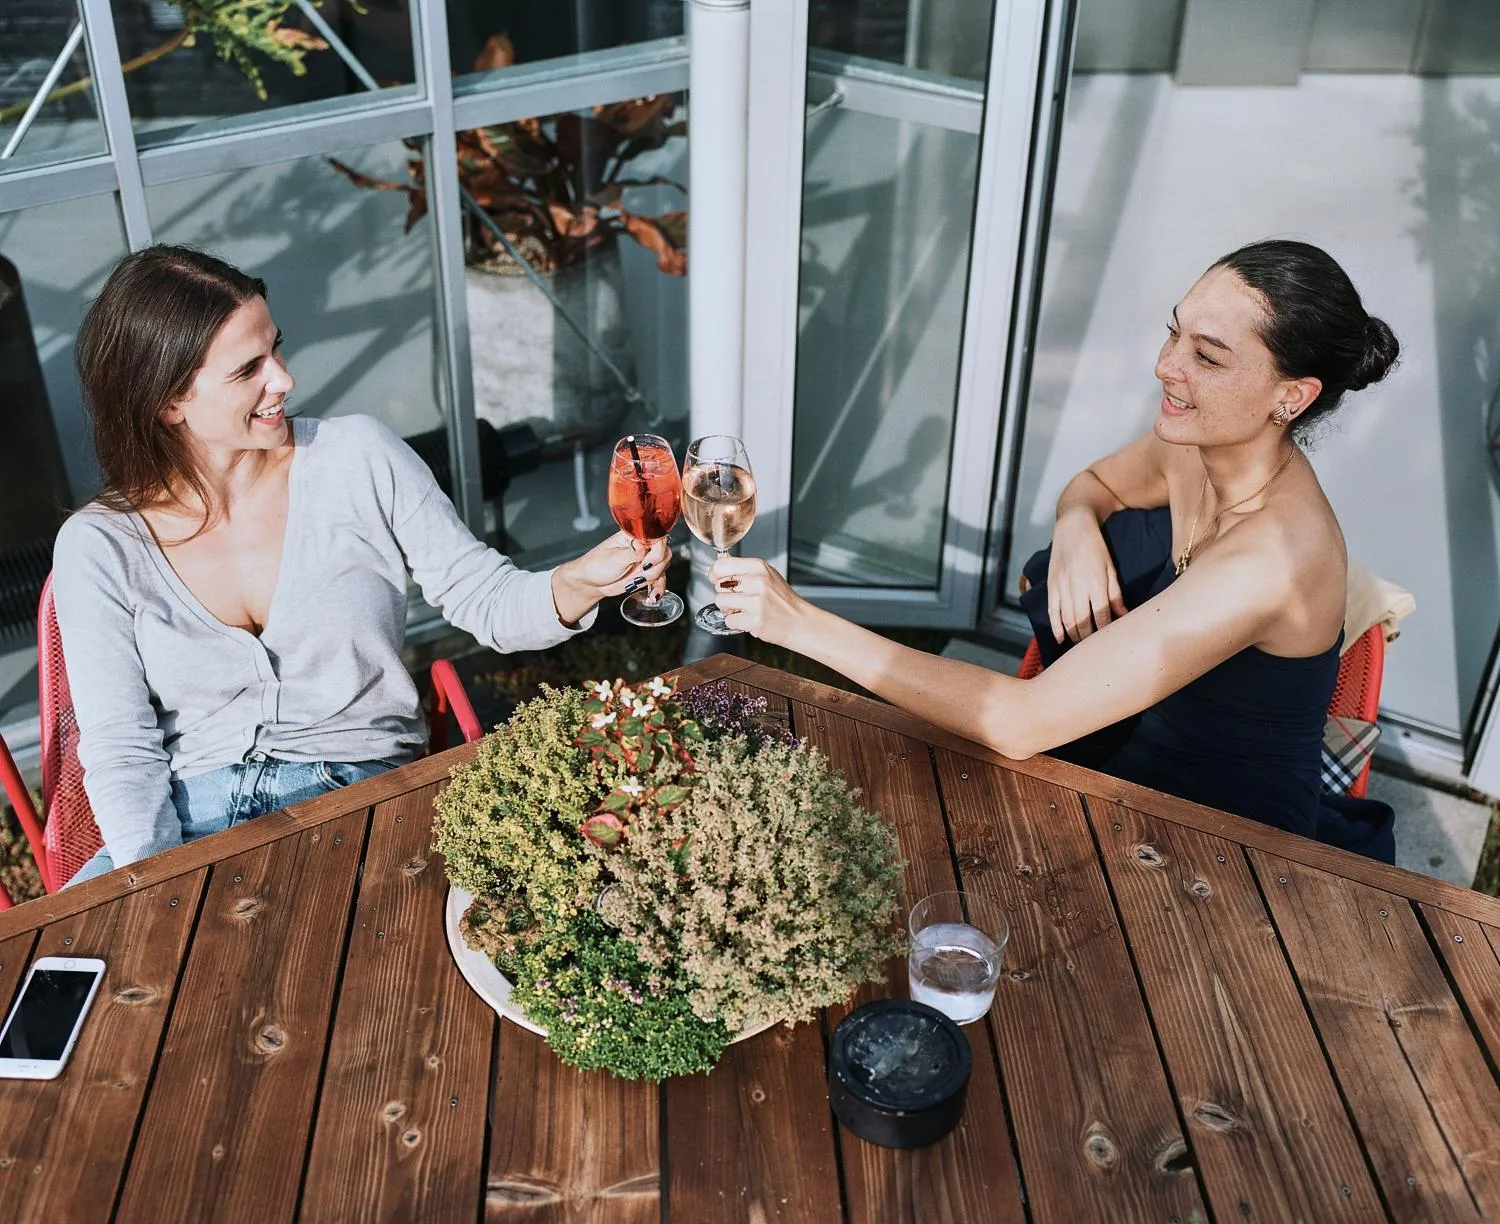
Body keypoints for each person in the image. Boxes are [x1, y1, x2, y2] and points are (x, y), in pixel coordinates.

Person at [712, 239, 1401, 861]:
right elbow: (1095, 483)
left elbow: (1017, 721)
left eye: (1207, 355)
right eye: (1173, 331)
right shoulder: (1196, 448)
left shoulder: (1275, 555)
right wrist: (1075, 526)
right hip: (1126, 752)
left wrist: (795, 622)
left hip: (1219, 841)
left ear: (1292, 396)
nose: (1166, 366)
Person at [53, 245, 668, 883]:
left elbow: (482, 599)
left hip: (363, 801)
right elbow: (122, 750)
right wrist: (155, 888)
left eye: (277, 347)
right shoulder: (99, 545)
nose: (284, 379)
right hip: (185, 827)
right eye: (248, 369)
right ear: (168, 402)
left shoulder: (357, 457)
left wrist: (574, 583)